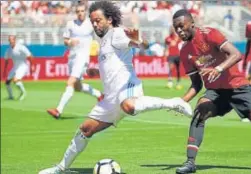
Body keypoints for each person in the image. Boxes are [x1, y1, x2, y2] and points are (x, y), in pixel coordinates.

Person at [39, 2, 193, 174]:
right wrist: (96, 71)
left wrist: (138, 39)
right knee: (85, 129)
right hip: (111, 98)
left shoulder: (116, 33)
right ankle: (61, 168)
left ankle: (173, 102)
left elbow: (144, 46)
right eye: (93, 21)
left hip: (127, 88)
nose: (95, 24)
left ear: (109, 20)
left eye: (98, 20)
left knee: (128, 105)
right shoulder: (103, 41)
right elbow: (112, 65)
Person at [172, 9, 251, 174]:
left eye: (182, 26)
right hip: (216, 92)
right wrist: (182, 101)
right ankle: (190, 162)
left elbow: (236, 54)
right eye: (176, 28)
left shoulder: (210, 34)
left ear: (192, 23)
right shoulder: (185, 51)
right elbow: (196, 85)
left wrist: (218, 69)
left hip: (238, 88)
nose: (179, 31)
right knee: (200, 112)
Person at [46, 3, 103, 119]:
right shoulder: (70, 24)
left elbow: (101, 35)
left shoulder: (91, 24)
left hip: (83, 58)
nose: (80, 13)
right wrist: (70, 42)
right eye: (78, 11)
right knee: (77, 86)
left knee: (70, 82)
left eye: (82, 11)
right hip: (72, 58)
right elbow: (65, 41)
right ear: (76, 12)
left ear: (85, 12)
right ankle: (100, 95)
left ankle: (58, 110)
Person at [3, 35, 34, 101]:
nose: (11, 41)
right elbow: (6, 60)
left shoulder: (21, 47)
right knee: (7, 82)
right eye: (10, 40)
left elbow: (30, 56)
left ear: (14, 40)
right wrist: (5, 70)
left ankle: (23, 93)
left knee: (15, 80)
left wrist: (32, 66)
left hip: (23, 66)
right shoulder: (9, 50)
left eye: (12, 40)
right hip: (15, 67)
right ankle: (11, 96)